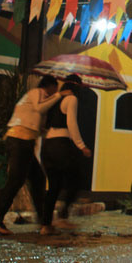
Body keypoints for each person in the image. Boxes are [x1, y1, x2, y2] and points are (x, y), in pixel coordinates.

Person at [0, 74, 69, 235]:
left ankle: (44, 221)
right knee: (16, 180)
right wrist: (60, 95)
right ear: (49, 86)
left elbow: (37, 120)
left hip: (26, 142)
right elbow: (40, 108)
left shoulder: (41, 99)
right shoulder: (37, 93)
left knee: (38, 178)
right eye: (55, 89)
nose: (55, 92)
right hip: (19, 140)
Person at [40, 74, 92, 235]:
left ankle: (46, 225)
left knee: (54, 186)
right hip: (61, 145)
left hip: (47, 145)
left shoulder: (54, 100)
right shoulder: (71, 99)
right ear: (76, 87)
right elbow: (71, 124)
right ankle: (62, 216)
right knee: (77, 179)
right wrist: (82, 146)